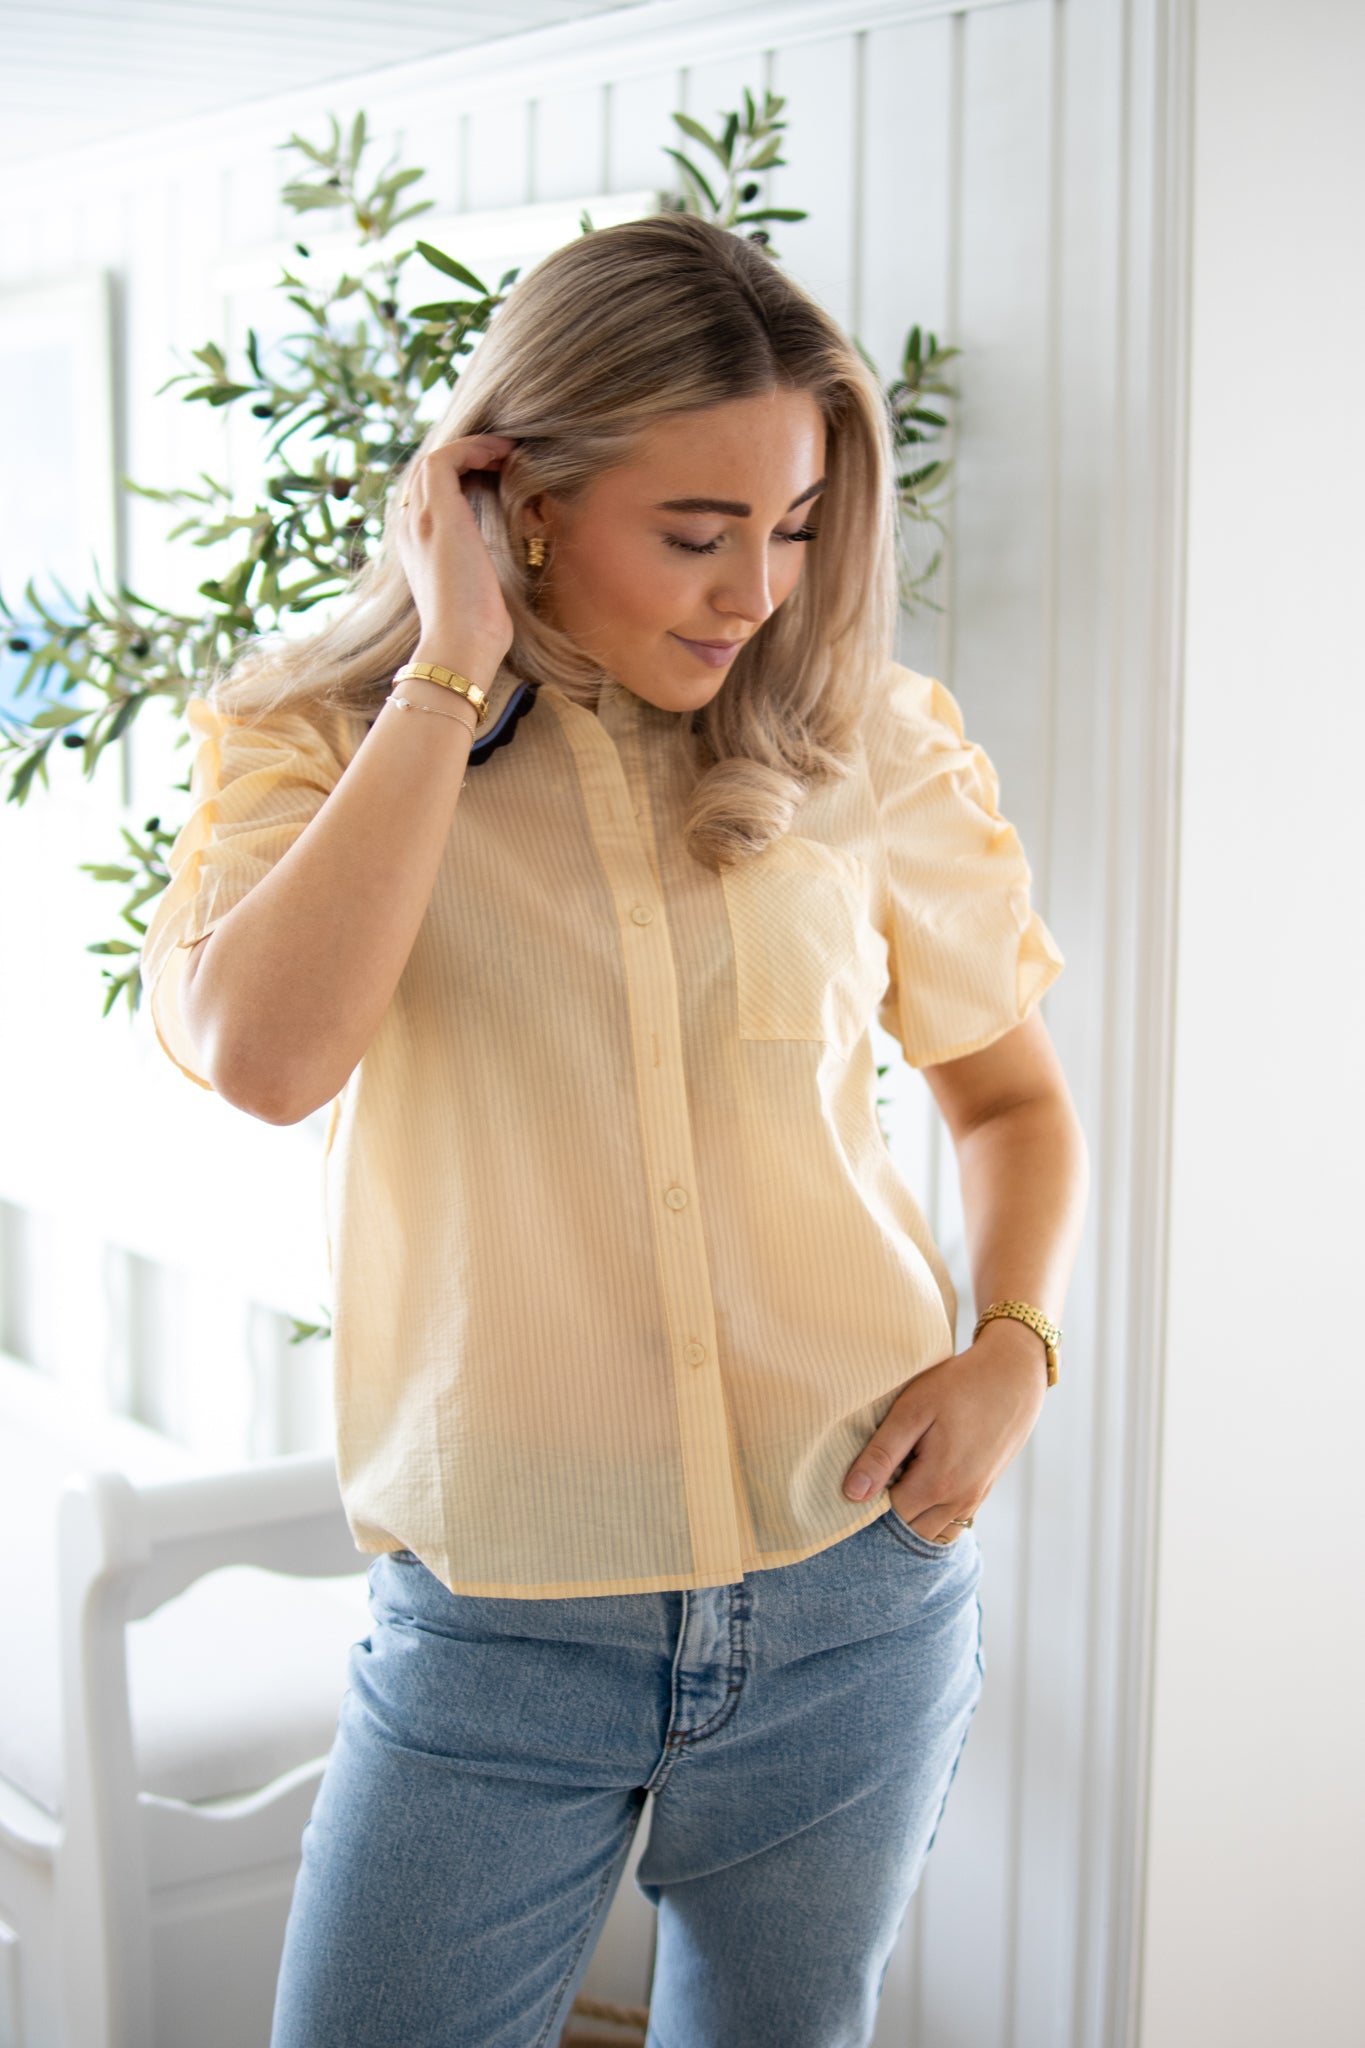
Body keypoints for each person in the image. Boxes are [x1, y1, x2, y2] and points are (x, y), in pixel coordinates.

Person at [139, 211, 1089, 2048]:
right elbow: (264, 1056)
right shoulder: (323, 744)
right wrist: (443, 667)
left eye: (796, 527)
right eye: (695, 531)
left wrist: (1015, 1348)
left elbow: (1010, 1100)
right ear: (526, 499)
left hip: (855, 1588)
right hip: (500, 1632)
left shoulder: (862, 743)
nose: (755, 594)